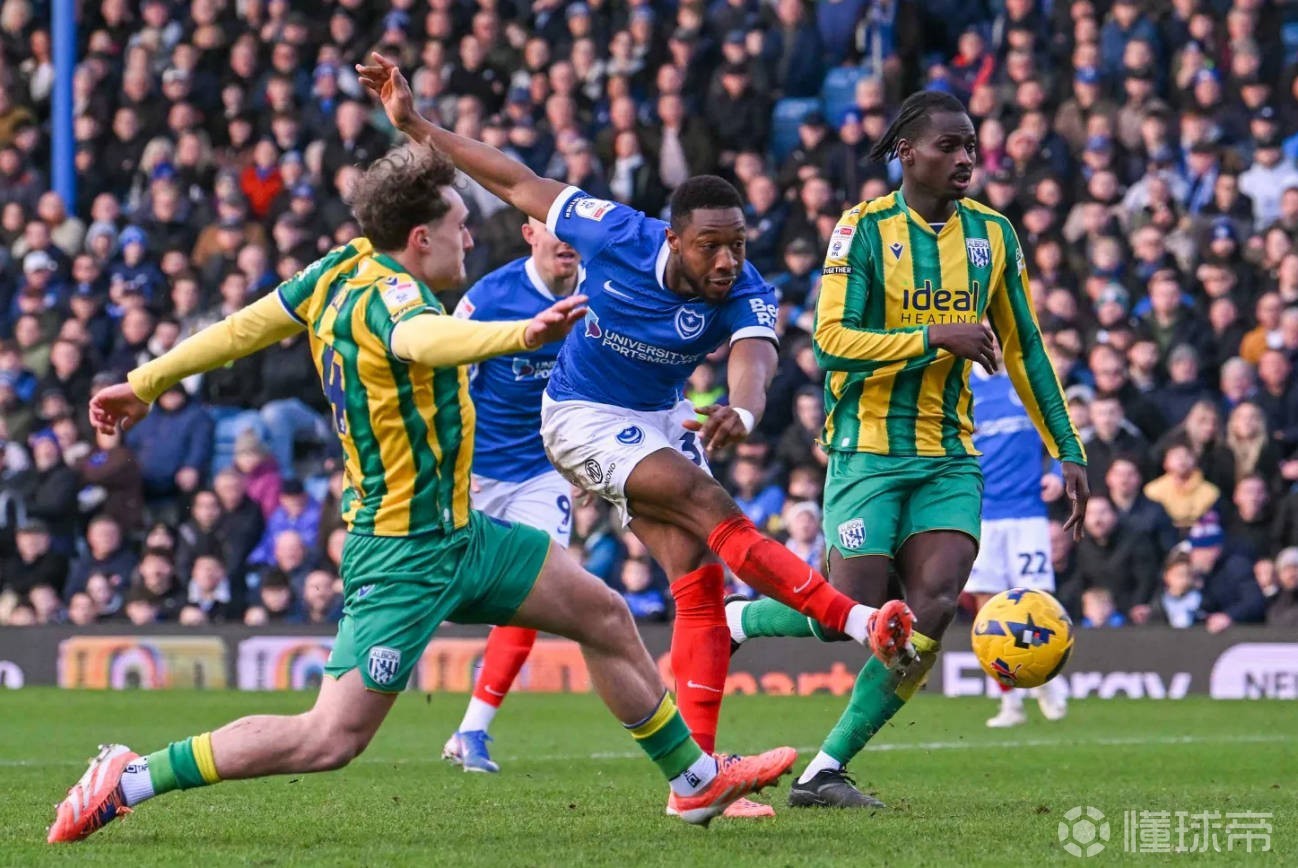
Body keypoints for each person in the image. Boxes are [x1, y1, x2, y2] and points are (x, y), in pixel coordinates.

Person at [48, 144, 796, 845]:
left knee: (602, 614)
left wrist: (145, 380)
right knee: (329, 739)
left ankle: (694, 782)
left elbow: (244, 326)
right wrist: (519, 335)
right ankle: (131, 776)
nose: (470, 240)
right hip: (402, 552)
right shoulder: (398, 301)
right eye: (460, 227)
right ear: (419, 237)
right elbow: (421, 342)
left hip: (462, 534)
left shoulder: (336, 269)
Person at [357, 53, 908, 820]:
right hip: (578, 412)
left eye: (738, 244)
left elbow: (756, 357)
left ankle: (699, 787)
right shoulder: (614, 231)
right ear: (674, 238)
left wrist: (744, 411)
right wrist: (417, 125)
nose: (728, 260)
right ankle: (856, 620)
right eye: (711, 246)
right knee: (703, 500)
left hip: (657, 419)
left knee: (699, 578)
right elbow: (516, 180)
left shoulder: (745, 288)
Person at [726, 90, 1088, 808]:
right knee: (853, 612)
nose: (965, 158)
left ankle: (825, 770)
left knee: (935, 605)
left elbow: (1025, 346)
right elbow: (831, 342)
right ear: (907, 153)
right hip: (868, 446)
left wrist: (1067, 446)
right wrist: (934, 336)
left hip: (949, 453)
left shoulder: (993, 235)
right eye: (949, 146)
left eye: (971, 146)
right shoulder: (861, 229)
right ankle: (739, 618)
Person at [440, 217, 582, 774]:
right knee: (424, 587)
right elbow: (442, 376)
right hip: (474, 472)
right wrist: (449, 463)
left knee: (537, 589)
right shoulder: (490, 298)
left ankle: (472, 731)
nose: (565, 239)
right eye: (553, 227)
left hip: (541, 471)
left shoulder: (601, 292)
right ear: (530, 234)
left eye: (572, 228)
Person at [965, 361, 1068, 728]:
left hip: (1027, 511)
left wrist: (1058, 474)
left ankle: (1044, 678)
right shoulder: (960, 388)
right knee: (987, 608)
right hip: (982, 513)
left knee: (1037, 601)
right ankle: (1009, 701)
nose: (992, 344)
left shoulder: (1026, 383)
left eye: (997, 336)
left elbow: (1061, 430)